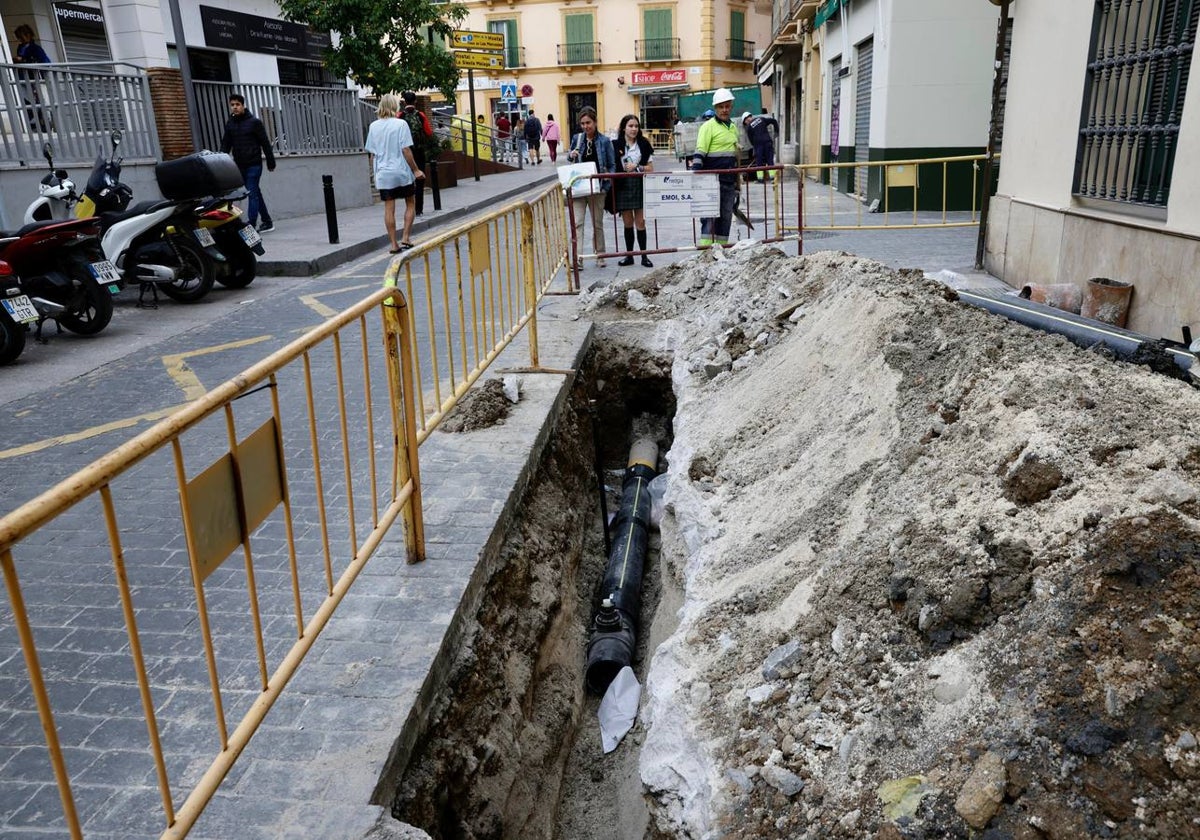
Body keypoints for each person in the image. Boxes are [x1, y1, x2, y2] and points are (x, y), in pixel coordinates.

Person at [365, 93, 424, 254]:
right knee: (410, 203)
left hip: (384, 173)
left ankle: (393, 244)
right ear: (395, 106)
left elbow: (372, 154)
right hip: (401, 171)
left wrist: (374, 173)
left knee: (389, 207)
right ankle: (405, 237)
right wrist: (416, 170)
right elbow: (406, 149)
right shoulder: (401, 124)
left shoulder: (373, 126)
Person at [566, 106, 615, 269]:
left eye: (588, 123)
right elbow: (570, 159)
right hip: (579, 189)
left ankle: (600, 254)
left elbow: (612, 164)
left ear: (595, 122)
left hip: (597, 189)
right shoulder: (577, 138)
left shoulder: (605, 141)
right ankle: (578, 258)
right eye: (582, 123)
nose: (586, 126)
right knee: (578, 223)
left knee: (597, 223)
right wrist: (570, 155)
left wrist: (606, 182)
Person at [221, 94, 276, 232]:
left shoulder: (254, 122)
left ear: (243, 105)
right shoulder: (230, 124)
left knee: (251, 192)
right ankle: (267, 221)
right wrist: (220, 160)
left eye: (237, 104)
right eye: (232, 104)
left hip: (254, 164)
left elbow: (265, 143)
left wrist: (271, 162)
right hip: (240, 165)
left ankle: (251, 225)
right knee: (255, 192)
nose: (235, 107)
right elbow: (226, 144)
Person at [692, 88, 740, 248]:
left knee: (725, 218)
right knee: (709, 219)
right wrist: (697, 182)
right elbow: (700, 153)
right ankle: (704, 255)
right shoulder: (708, 127)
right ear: (715, 108)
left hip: (728, 181)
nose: (725, 110)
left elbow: (735, 157)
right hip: (711, 182)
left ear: (731, 106)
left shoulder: (733, 127)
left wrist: (738, 185)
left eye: (727, 106)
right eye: (721, 107)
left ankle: (721, 252)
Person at [612, 114, 655, 268]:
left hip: (639, 184)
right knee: (627, 222)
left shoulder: (643, 144)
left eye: (636, 126)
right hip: (622, 185)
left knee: (640, 222)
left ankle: (644, 256)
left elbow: (651, 168)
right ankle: (629, 256)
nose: (634, 129)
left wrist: (637, 167)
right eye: (630, 126)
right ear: (624, 128)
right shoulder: (616, 145)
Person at [401, 90, 435, 216]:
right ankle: (418, 210)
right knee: (419, 179)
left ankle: (409, 208)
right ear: (415, 101)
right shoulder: (420, 115)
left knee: (408, 180)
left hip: (405, 152)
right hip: (419, 151)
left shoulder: (400, 116)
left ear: (404, 102)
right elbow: (429, 132)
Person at [13, 24, 50, 132]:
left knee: (42, 100)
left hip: (37, 77)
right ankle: (35, 122)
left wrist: (23, 60)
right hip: (24, 77)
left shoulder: (36, 48)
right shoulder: (20, 47)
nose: (20, 39)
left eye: (21, 36)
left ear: (28, 35)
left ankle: (46, 123)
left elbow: (43, 61)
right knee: (28, 100)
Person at [743, 110, 780, 181]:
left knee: (759, 162)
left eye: (745, 122)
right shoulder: (761, 119)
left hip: (758, 145)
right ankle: (772, 178)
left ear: (746, 119)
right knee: (770, 160)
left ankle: (760, 179)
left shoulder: (748, 128)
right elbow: (774, 121)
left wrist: (755, 148)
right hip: (768, 142)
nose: (746, 123)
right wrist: (776, 131)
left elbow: (751, 140)